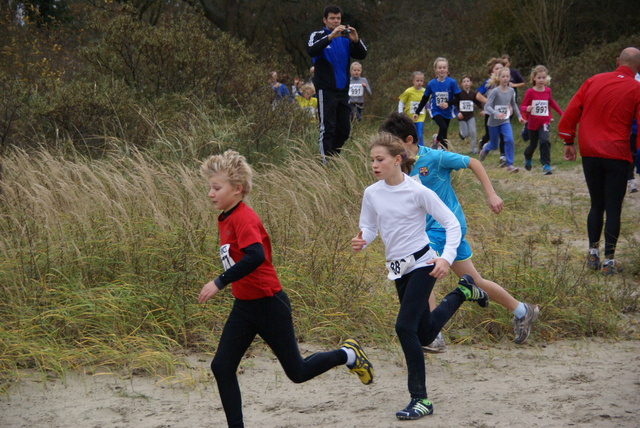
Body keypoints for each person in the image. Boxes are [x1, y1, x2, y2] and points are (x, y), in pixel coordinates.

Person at [198, 150, 374, 427]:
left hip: (269, 305)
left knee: (298, 372)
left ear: (238, 189)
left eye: (216, 187)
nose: (210, 193)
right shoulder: (226, 217)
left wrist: (219, 282)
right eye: (209, 187)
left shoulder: (244, 218)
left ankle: (347, 354)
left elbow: (256, 256)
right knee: (221, 367)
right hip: (244, 306)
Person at [351, 132, 489, 420]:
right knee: (425, 333)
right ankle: (463, 291)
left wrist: (446, 258)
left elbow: (451, 224)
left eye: (380, 159)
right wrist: (363, 238)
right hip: (398, 268)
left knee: (404, 327)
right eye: (372, 160)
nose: (375, 165)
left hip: (424, 262)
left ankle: (420, 399)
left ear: (398, 160)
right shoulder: (372, 193)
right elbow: (370, 226)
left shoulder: (418, 191)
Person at [380, 112, 540, 348]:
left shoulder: (434, 157)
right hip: (427, 230)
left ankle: (431, 335)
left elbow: (473, 162)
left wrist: (491, 194)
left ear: (409, 140)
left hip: (447, 227)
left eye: (394, 145)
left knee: (421, 267)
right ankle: (522, 310)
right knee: (474, 280)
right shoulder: (398, 167)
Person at [558, 47, 640, 274]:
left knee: (596, 204)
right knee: (614, 208)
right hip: (616, 153)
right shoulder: (637, 88)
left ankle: (592, 254)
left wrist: (568, 141)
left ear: (617, 61)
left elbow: (572, 111)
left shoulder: (593, 80)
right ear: (639, 67)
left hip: (590, 151)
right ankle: (609, 261)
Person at [307, 4, 367, 160]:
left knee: (344, 130)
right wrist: (330, 37)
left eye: (338, 18)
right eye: (332, 18)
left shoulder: (345, 40)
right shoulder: (318, 35)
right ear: (325, 20)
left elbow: (362, 55)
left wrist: (356, 40)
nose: (335, 21)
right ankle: (324, 163)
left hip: (342, 91)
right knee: (327, 128)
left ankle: (332, 157)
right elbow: (311, 50)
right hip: (325, 90)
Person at [479, 68, 527, 172]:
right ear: (499, 78)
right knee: (494, 145)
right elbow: (487, 106)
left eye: (507, 76)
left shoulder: (511, 91)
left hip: (505, 121)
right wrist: (496, 113)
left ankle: (509, 165)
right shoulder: (495, 91)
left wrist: (519, 116)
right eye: (503, 76)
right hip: (493, 122)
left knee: (509, 139)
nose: (505, 79)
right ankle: (486, 148)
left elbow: (513, 104)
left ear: (510, 78)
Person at [520, 65, 564, 175]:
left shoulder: (547, 91)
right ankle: (527, 156)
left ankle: (546, 165)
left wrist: (562, 113)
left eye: (543, 78)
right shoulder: (530, 92)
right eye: (539, 78)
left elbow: (552, 102)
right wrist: (527, 109)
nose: (541, 80)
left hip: (544, 121)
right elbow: (522, 106)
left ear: (546, 78)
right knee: (533, 145)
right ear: (534, 78)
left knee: (544, 140)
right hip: (533, 123)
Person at [413, 57, 461, 150]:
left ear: (447, 69)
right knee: (442, 127)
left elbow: (459, 98)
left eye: (444, 67)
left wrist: (448, 103)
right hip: (435, 110)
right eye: (439, 68)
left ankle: (437, 140)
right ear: (435, 70)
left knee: (444, 132)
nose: (442, 70)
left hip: (447, 111)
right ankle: (445, 151)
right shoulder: (431, 84)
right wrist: (417, 112)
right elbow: (425, 98)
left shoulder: (452, 82)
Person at [477, 57, 505, 163]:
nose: (499, 71)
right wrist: (488, 102)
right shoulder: (489, 83)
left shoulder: (506, 82)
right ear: (492, 71)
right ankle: (483, 144)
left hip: (502, 113)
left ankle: (503, 157)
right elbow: (478, 95)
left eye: (501, 68)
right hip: (490, 113)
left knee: (503, 134)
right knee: (490, 135)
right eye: (496, 68)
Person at [455, 74, 485, 154]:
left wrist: (483, 109)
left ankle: (473, 149)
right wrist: (458, 113)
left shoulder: (473, 94)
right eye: (464, 82)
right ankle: (461, 134)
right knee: (465, 134)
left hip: (470, 116)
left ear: (471, 83)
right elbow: (455, 104)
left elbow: (478, 103)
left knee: (473, 132)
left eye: (468, 81)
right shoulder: (459, 93)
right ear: (461, 84)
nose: (466, 83)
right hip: (462, 117)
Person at [398, 71, 427, 146]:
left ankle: (421, 150)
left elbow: (428, 103)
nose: (419, 83)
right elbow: (401, 102)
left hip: (420, 117)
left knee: (419, 135)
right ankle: (408, 149)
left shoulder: (425, 91)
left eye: (421, 81)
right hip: (409, 118)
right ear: (413, 81)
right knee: (409, 135)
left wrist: (430, 111)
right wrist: (400, 113)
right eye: (417, 81)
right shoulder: (408, 91)